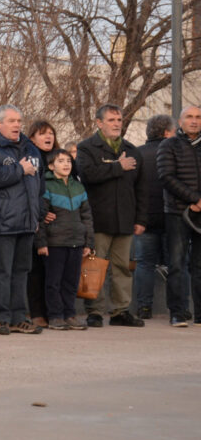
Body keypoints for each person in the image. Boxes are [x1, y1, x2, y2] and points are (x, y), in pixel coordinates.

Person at [0, 105, 44, 336]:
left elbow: (38, 185)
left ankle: (18, 317)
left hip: (26, 221)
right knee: (2, 272)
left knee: (21, 271)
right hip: (1, 221)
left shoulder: (31, 148)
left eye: (19, 120)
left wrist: (35, 216)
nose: (17, 125)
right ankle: (1, 318)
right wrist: (19, 169)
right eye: (12, 121)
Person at [76, 104, 146, 328]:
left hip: (125, 220)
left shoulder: (133, 150)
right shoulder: (87, 148)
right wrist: (117, 167)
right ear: (99, 123)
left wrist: (140, 219)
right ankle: (94, 311)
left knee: (122, 268)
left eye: (119, 120)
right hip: (98, 219)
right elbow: (87, 175)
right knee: (93, 267)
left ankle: (120, 311)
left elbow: (141, 189)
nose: (117, 124)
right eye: (112, 120)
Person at [35, 149, 92, 330]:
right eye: (61, 161)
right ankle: (55, 316)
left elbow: (87, 217)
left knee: (71, 282)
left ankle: (70, 314)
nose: (66, 164)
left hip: (76, 241)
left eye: (68, 160)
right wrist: (41, 243)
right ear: (51, 166)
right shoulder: (46, 186)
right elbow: (41, 218)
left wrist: (88, 242)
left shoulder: (78, 187)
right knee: (53, 282)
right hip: (55, 243)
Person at [156, 105, 201, 327]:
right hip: (177, 213)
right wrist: (194, 199)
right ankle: (178, 312)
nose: (194, 121)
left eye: (198, 117)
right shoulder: (169, 145)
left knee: (199, 265)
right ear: (180, 121)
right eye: (189, 117)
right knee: (176, 264)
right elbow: (166, 176)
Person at [134, 114, 179, 321]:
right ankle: (178, 309)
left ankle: (144, 307)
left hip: (144, 220)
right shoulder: (176, 152)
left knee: (144, 264)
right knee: (177, 264)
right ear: (167, 132)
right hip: (173, 218)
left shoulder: (137, 154)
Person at [27, 120, 58, 329]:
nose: (48, 137)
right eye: (42, 134)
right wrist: (41, 211)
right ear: (32, 138)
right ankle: (37, 312)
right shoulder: (30, 159)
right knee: (35, 270)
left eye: (51, 133)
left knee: (55, 271)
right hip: (38, 222)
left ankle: (56, 312)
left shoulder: (62, 158)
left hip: (60, 225)